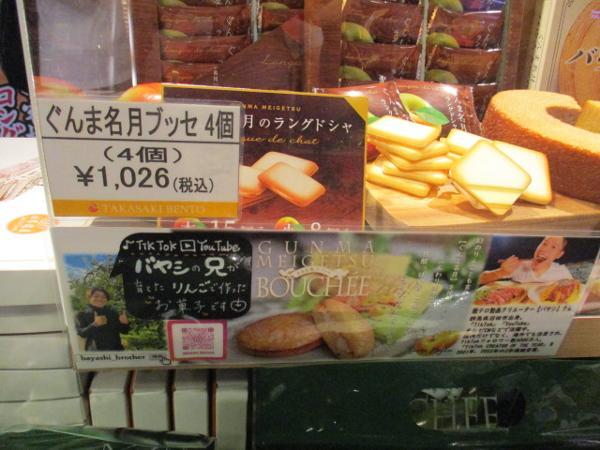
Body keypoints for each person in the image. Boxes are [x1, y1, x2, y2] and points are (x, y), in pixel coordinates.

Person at [479, 236, 572, 285]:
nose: (544, 249)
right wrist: (501, 272)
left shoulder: (562, 271)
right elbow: (479, 279)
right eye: (544, 244)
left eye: (553, 247)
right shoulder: (519, 266)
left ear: (559, 254)